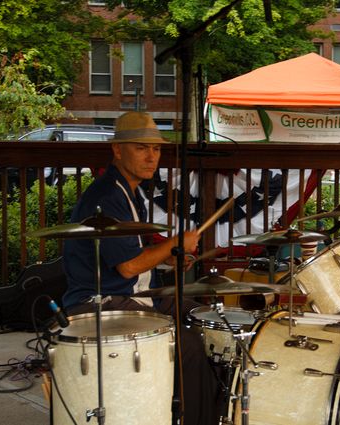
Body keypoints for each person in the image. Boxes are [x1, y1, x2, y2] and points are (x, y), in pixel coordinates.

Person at [62, 111, 220, 425]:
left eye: (156, 149)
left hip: (134, 295)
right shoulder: (107, 197)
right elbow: (128, 266)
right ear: (117, 150)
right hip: (101, 302)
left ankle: (195, 408)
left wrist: (166, 257)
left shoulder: (129, 191)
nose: (151, 157)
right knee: (187, 343)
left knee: (208, 318)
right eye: (141, 148)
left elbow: (134, 255)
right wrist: (175, 243)